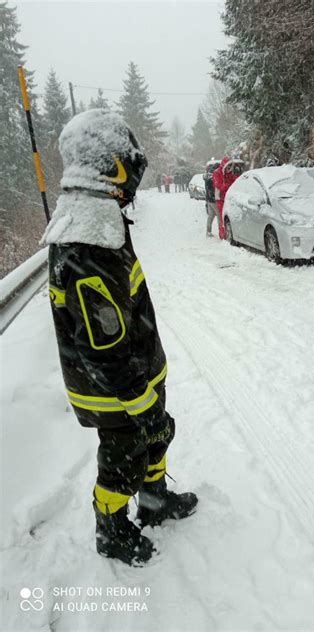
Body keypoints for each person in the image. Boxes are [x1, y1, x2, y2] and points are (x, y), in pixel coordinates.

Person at [42, 109, 198, 566]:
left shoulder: (96, 222)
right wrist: (142, 403)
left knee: (154, 440)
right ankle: (111, 529)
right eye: (129, 166)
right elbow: (103, 348)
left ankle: (153, 505)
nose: (132, 179)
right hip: (116, 391)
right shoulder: (89, 244)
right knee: (124, 456)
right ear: (106, 166)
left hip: (134, 378)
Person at [213, 157, 245, 239]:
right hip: (220, 199)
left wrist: (241, 179)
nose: (230, 168)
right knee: (221, 218)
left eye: (231, 166)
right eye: (228, 166)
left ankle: (229, 234)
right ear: (224, 165)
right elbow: (219, 186)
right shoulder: (217, 173)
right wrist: (229, 185)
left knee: (229, 217)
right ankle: (222, 235)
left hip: (228, 198)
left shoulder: (228, 173)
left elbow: (234, 179)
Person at [204, 159, 220, 237]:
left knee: (211, 216)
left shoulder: (207, 176)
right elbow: (214, 188)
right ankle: (221, 232)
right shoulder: (213, 177)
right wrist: (215, 197)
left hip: (208, 199)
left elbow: (207, 188)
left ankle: (208, 231)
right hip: (213, 200)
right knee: (219, 216)